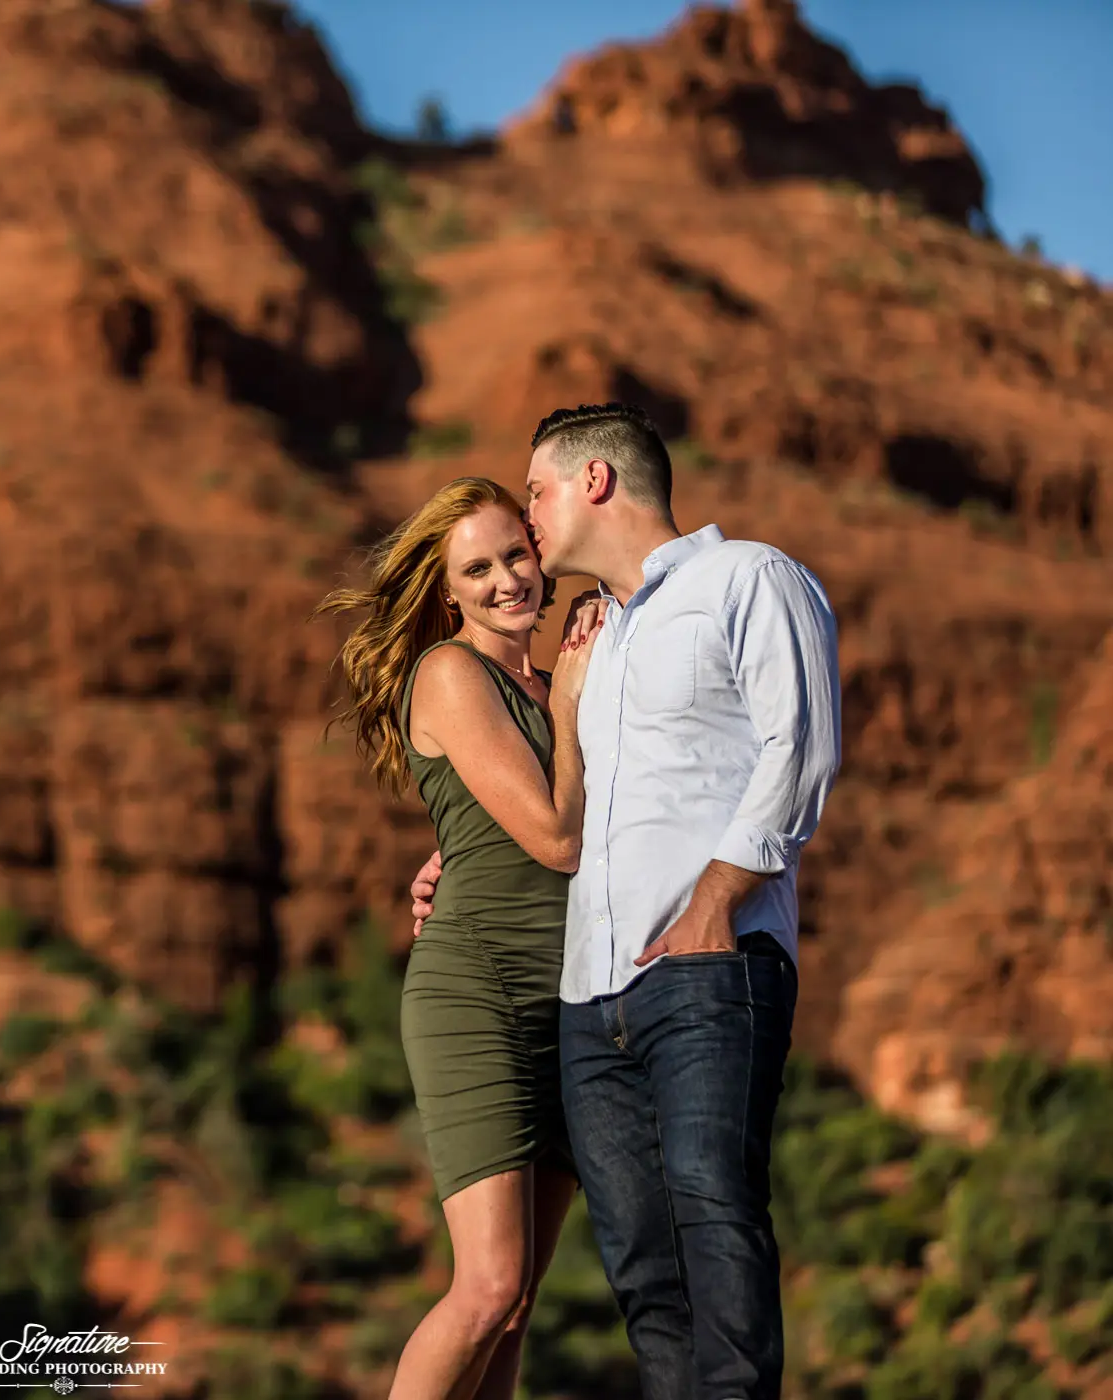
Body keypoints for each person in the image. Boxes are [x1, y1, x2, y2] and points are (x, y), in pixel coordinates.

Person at [406, 404, 843, 1399]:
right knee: (641, 1267)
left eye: (535, 494)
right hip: (584, 1002)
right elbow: (574, 803)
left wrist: (714, 904)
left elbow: (803, 748)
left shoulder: (749, 579)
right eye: (482, 562)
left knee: (710, 1204)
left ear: (595, 482)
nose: (527, 526)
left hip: (703, 968)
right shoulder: (593, 641)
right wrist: (448, 859)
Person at [316, 476, 606, 1400]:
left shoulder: (559, 677)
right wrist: (569, 708)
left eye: (515, 554)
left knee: (519, 1301)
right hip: (477, 989)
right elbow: (559, 839)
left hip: (572, 1004)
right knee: (484, 1288)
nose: (504, 580)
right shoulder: (452, 673)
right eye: (476, 569)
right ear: (447, 590)